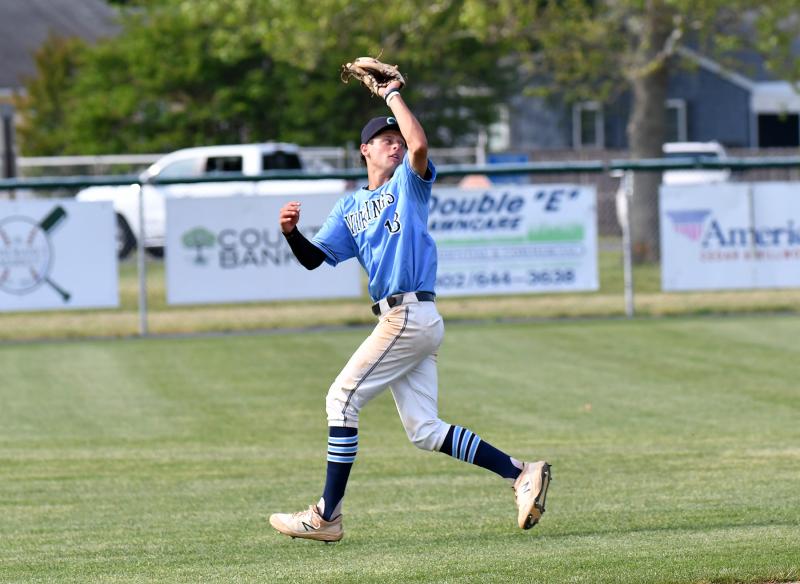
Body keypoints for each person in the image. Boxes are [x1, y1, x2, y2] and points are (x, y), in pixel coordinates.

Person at [269, 79, 551, 542]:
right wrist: (291, 233)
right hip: (403, 319)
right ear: (365, 150)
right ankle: (521, 472)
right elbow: (315, 259)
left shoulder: (409, 185)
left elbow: (419, 142)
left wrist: (391, 95)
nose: (396, 146)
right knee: (424, 430)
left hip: (409, 313)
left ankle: (326, 515)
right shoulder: (349, 206)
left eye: (397, 140)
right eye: (386, 141)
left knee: (341, 400)